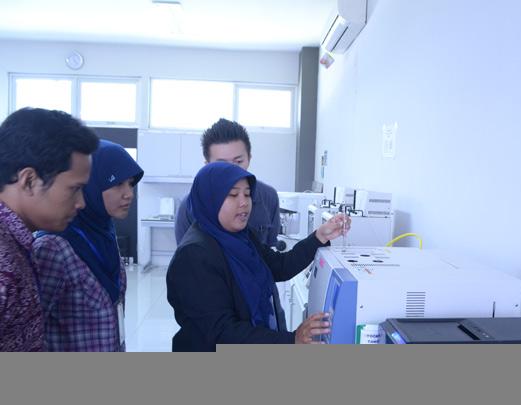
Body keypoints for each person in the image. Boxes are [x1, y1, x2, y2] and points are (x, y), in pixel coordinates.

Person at [166, 162, 350, 351]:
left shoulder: (243, 237)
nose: (244, 202)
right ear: (209, 199)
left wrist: (320, 236)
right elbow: (221, 332)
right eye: (233, 194)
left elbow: (280, 266)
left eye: (247, 194)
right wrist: (291, 340)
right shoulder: (193, 256)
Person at [0, 107, 99, 351]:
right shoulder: (3, 262)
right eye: (74, 189)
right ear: (29, 180)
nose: (81, 203)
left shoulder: (16, 244)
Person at [32, 140, 144, 351]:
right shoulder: (53, 247)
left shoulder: (104, 235)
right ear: (90, 185)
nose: (129, 193)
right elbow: (32, 333)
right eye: (117, 183)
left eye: (130, 184)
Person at [174, 118, 280, 247]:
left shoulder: (268, 197)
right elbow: (185, 255)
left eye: (238, 162)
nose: (232, 171)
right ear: (207, 165)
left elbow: (272, 250)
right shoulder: (189, 206)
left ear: (249, 159)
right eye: (222, 164)